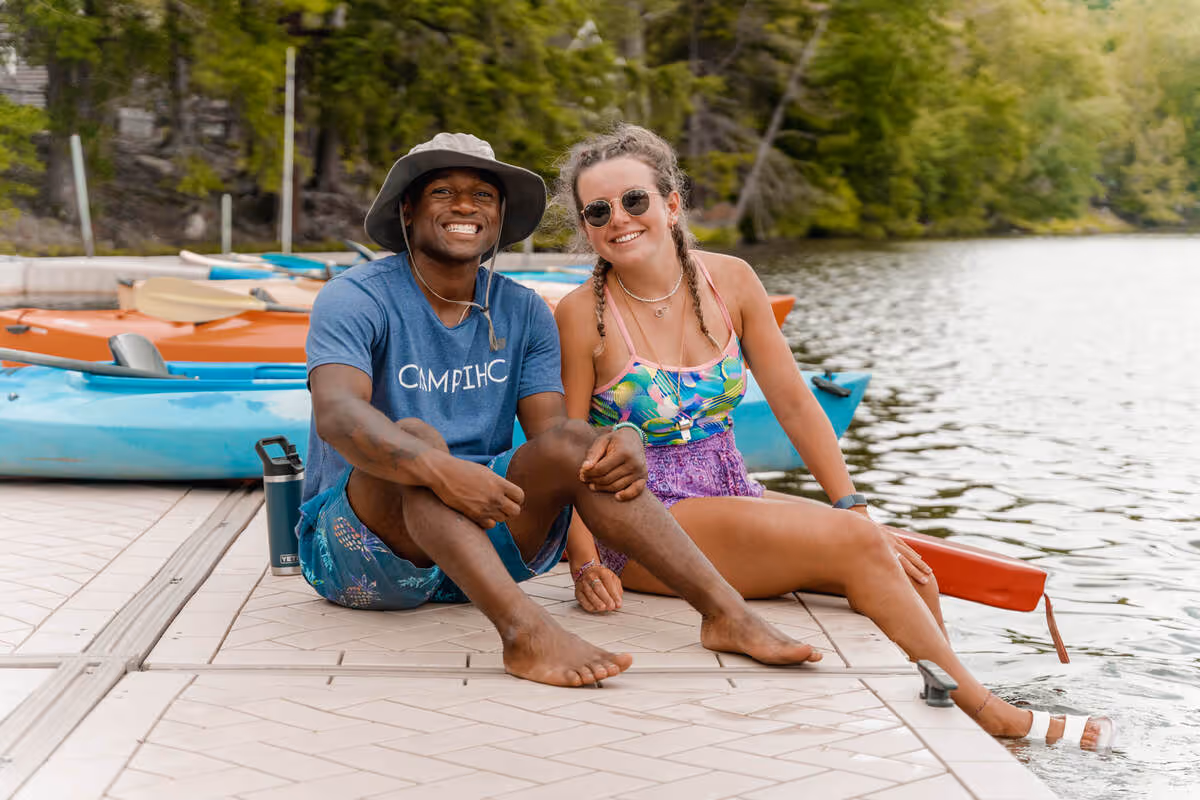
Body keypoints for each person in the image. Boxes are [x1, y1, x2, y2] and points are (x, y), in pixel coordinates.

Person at [552, 123, 1114, 749]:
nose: (619, 220)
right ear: (586, 226)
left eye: (635, 201)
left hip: (730, 491)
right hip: (643, 524)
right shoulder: (581, 313)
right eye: (598, 211)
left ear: (671, 204)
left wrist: (853, 505)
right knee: (860, 547)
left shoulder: (729, 280)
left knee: (913, 570)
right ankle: (992, 715)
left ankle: (946, 701)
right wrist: (583, 562)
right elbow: (567, 450)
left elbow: (793, 399)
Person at [297, 131, 825, 689]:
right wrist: (443, 471)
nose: (464, 206)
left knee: (582, 444)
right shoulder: (357, 296)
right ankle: (526, 636)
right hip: (361, 554)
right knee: (417, 441)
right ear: (408, 208)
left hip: (484, 548)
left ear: (499, 216)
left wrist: (619, 438)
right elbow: (336, 412)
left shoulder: (521, 309)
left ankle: (727, 615)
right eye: (443, 192)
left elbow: (554, 435)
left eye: (482, 195)